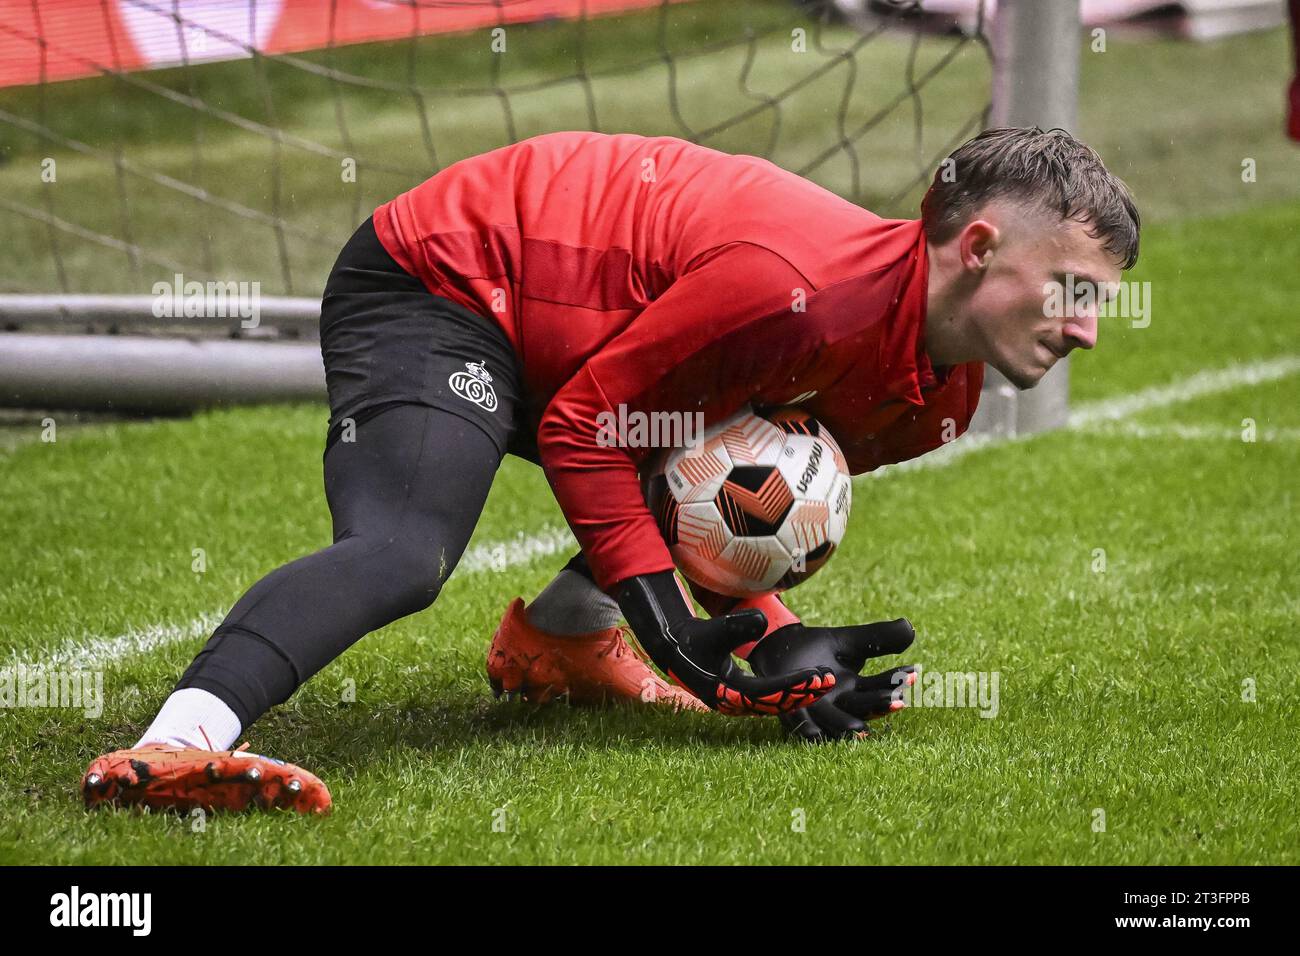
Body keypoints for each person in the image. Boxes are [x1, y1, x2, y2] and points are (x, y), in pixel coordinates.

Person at [81, 127, 1139, 814]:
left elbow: (711, 479)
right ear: (980, 246)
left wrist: (765, 642)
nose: (1087, 330)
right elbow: (592, 422)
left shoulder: (940, 394)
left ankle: (562, 639)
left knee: (669, 444)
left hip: (582, 347)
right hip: (448, 282)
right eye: (1072, 290)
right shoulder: (799, 287)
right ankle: (171, 745)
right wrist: (673, 634)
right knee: (404, 549)